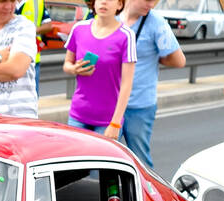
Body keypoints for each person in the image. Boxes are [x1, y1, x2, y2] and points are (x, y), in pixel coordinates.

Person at [119, 0, 185, 166]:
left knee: (140, 161)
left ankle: (146, 191)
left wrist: (152, 58)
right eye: (147, 0)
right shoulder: (112, 16)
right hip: (111, 102)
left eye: (154, 1)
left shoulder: (156, 23)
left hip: (139, 104)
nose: (151, 5)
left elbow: (179, 60)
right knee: (104, 157)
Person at [63, 0, 137, 136]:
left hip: (108, 120)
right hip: (78, 115)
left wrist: (115, 123)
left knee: (101, 157)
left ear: (119, 5)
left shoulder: (126, 35)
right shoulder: (79, 29)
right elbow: (67, 63)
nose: (104, 2)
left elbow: (127, 84)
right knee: (77, 157)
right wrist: (74, 69)